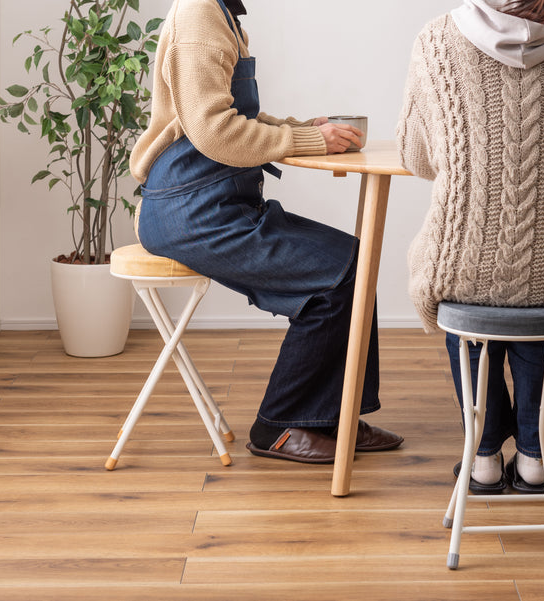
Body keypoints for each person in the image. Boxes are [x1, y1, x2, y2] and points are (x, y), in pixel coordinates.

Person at [130, 0, 403, 463]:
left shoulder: (221, 13)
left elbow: (230, 116)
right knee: (339, 271)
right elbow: (213, 132)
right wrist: (308, 140)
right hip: (190, 212)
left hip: (213, 201)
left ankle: (333, 419)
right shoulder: (201, 14)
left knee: (352, 260)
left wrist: (302, 128)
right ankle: (277, 426)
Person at [397, 0, 544, 492]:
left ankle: (482, 458)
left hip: (461, 259)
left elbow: (417, 157)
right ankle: (533, 458)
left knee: (465, 300)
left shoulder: (438, 37)